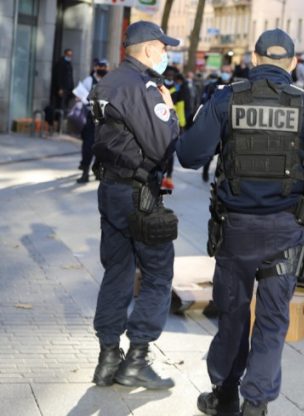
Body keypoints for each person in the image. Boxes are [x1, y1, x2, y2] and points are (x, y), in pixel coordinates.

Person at [177, 29, 304, 416]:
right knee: (272, 319)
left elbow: (189, 155)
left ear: (254, 59)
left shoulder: (224, 99)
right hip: (285, 233)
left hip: (235, 232)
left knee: (233, 315)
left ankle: (223, 395)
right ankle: (256, 404)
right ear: (291, 63)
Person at [88, 21, 181, 390]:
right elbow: (162, 144)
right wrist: (171, 112)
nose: (164, 54)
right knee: (158, 274)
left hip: (110, 189)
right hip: (139, 194)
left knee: (117, 272)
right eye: (162, 48)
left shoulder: (107, 82)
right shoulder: (145, 87)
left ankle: (108, 357)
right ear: (147, 49)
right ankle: (136, 360)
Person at [76, 58, 109, 183]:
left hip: (105, 118)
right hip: (91, 117)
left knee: (102, 146)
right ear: (96, 68)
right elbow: (80, 95)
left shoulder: (108, 80)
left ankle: (98, 170)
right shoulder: (89, 80)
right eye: (100, 67)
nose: (102, 69)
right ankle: (85, 172)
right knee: (88, 146)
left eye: (104, 67)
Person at [199, 66, 233, 182]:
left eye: (228, 72)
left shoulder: (235, 86)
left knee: (226, 151)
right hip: (215, 123)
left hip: (230, 124)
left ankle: (220, 173)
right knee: (211, 150)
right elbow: (204, 103)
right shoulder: (212, 86)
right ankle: (205, 170)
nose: (226, 74)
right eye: (224, 71)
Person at [50, 48, 75, 128]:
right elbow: (59, 76)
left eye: (71, 55)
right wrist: (60, 88)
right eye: (68, 55)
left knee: (65, 107)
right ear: (65, 54)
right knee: (59, 106)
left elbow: (70, 77)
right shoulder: (61, 63)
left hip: (68, 89)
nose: (69, 56)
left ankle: (61, 124)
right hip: (61, 89)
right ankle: (56, 123)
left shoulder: (69, 63)